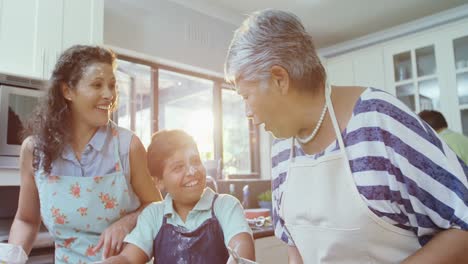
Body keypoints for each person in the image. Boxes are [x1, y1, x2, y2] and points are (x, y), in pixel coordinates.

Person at [224, 9, 468, 264]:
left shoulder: (378, 120)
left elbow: (464, 225)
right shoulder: (282, 149)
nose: (247, 113)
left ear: (279, 79)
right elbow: (295, 246)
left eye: (246, 96)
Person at [7, 45, 162, 263]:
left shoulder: (128, 146)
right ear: (67, 91)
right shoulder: (35, 151)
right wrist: (10, 259)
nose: (109, 95)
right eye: (97, 85)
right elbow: (26, 219)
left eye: (112, 85)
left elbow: (158, 208)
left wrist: (127, 222)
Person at [104, 130, 255, 263]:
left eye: (195, 161)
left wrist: (239, 259)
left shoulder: (225, 206)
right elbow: (129, 259)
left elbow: (241, 248)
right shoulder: (153, 215)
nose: (192, 171)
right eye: (178, 167)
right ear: (159, 182)